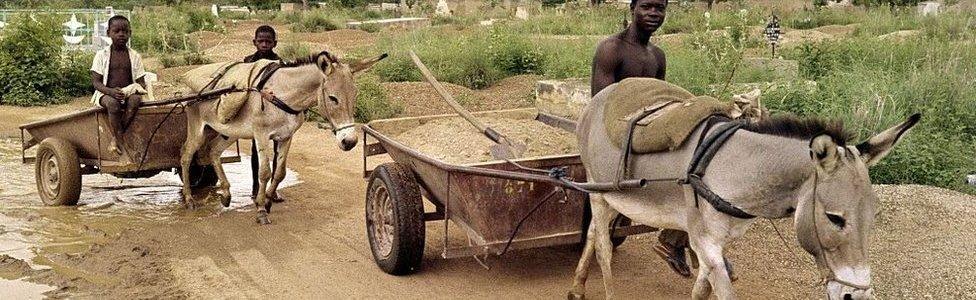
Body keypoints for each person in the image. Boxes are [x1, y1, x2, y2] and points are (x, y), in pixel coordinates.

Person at [590, 0, 733, 279]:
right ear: (632, 8)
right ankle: (691, 245)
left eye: (660, 8)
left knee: (694, 167)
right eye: (646, 7)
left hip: (648, 131)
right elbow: (600, 106)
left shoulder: (657, 55)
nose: (654, 14)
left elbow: (661, 101)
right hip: (614, 134)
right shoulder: (611, 49)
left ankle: (678, 240)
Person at [91, 15, 146, 155]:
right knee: (113, 105)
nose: (121, 34)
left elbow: (141, 83)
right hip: (106, 94)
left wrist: (131, 90)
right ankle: (121, 141)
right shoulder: (101, 55)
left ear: (130, 33)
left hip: (128, 94)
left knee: (135, 100)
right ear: (108, 33)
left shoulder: (135, 56)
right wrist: (110, 92)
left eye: (125, 31)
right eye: (117, 31)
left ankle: (116, 138)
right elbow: (96, 82)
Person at [243, 25, 283, 201]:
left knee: (277, 151)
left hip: (275, 115)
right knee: (257, 151)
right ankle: (255, 188)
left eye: (268, 41)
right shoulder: (248, 62)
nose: (265, 44)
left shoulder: (280, 63)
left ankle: (272, 189)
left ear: (275, 43)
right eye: (261, 41)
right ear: (255, 42)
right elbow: (245, 85)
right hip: (256, 114)